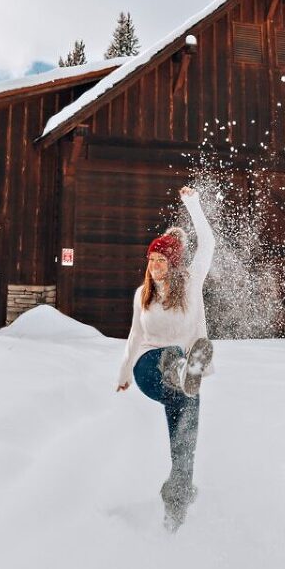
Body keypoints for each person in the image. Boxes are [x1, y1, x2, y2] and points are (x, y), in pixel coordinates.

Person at [116, 185, 215, 529]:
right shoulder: (142, 294)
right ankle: (188, 370)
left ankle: (177, 499)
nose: (155, 265)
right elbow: (135, 335)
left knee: (185, 435)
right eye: (151, 260)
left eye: (161, 260)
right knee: (173, 355)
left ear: (173, 264)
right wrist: (124, 372)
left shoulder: (189, 285)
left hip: (181, 377)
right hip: (148, 368)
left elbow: (208, 244)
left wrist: (193, 204)